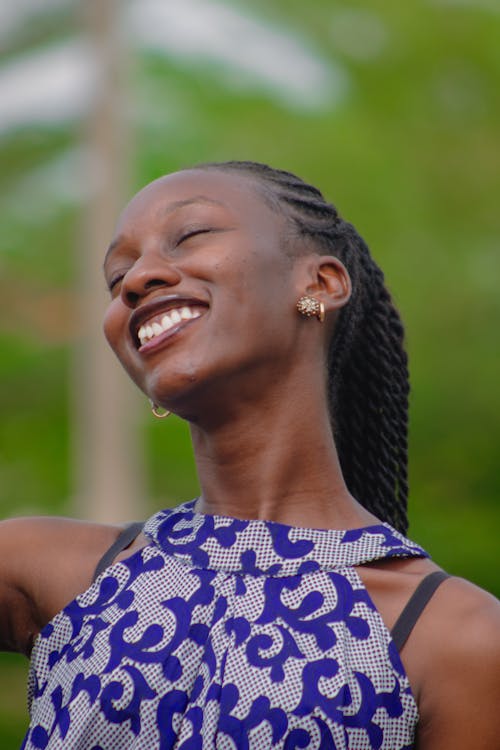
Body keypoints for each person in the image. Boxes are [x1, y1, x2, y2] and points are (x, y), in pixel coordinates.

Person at [1, 161, 498, 749]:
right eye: (117, 276)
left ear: (320, 285)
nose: (136, 280)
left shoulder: (455, 636)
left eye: (189, 236)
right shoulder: (43, 570)